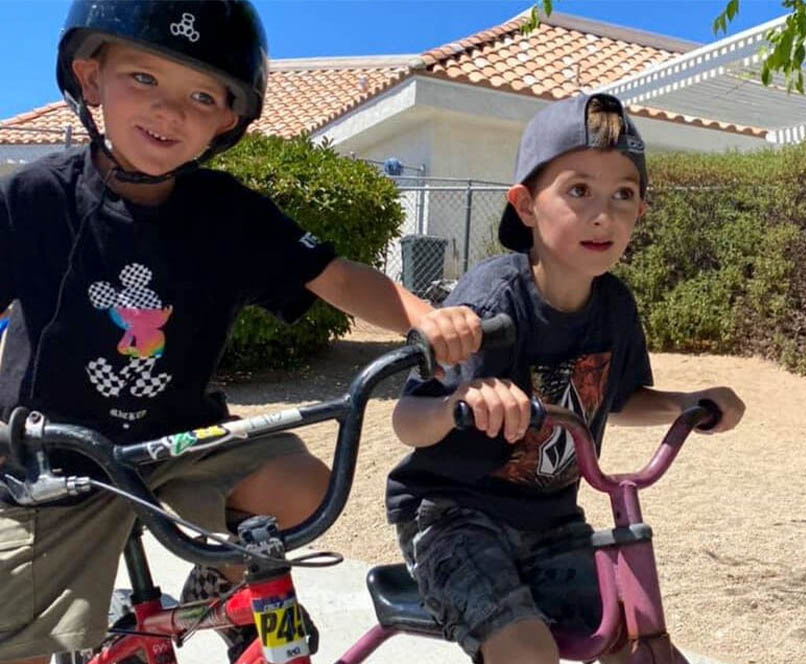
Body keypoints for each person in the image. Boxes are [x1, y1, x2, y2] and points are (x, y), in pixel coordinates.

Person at [0, 2, 482, 663]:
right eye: (143, 78)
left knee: (302, 484)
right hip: (57, 462)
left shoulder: (229, 216)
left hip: (180, 442)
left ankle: (216, 585)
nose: (170, 112)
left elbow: (336, 276)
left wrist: (425, 317)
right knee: (19, 641)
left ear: (227, 119)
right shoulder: (35, 200)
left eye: (201, 95)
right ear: (90, 81)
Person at [386, 93, 747, 664]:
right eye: (578, 190)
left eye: (622, 195)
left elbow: (620, 400)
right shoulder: (491, 299)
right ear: (526, 205)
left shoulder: (614, 307)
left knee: (638, 639)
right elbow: (407, 419)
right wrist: (460, 398)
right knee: (527, 653)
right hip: (454, 516)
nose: (603, 213)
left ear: (641, 213)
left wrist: (689, 403)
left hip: (553, 523)